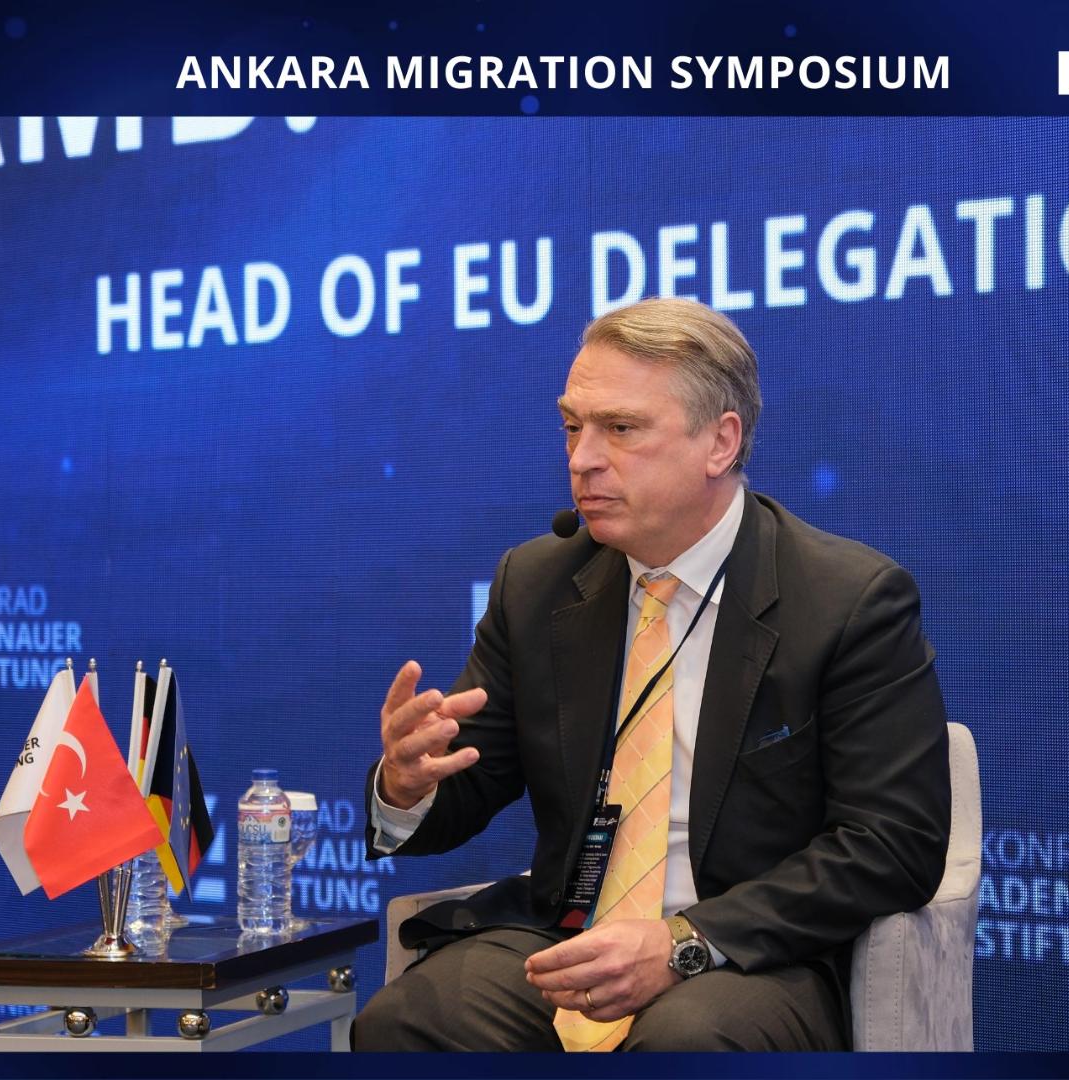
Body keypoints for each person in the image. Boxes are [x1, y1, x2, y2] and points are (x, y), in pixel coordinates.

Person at [353, 297, 951, 1052]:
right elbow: (474, 783)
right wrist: (408, 787)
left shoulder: (846, 601)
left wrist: (682, 941)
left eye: (621, 429)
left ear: (720, 442)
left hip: (748, 956)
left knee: (686, 1043)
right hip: (569, 933)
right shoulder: (537, 583)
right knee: (410, 1021)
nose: (581, 459)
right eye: (572, 426)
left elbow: (892, 842)